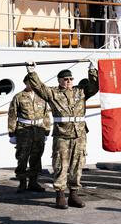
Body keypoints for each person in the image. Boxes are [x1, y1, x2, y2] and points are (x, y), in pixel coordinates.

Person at [26, 63, 99, 209]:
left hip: (80, 135)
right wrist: (32, 72)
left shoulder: (81, 92)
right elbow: (39, 88)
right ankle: (60, 195)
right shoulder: (53, 93)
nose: (68, 81)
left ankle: (73, 195)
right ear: (59, 80)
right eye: (65, 79)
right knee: (60, 164)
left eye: (71, 78)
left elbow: (96, 86)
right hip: (62, 135)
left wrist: (92, 70)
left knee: (77, 165)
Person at [8, 75, 51, 193]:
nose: (31, 84)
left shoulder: (41, 96)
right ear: (25, 83)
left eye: (33, 82)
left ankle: (33, 182)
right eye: (29, 82)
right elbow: (12, 114)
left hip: (39, 129)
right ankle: (22, 182)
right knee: (22, 157)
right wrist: (12, 132)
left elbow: (46, 114)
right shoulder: (18, 97)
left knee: (36, 156)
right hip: (24, 130)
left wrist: (47, 129)